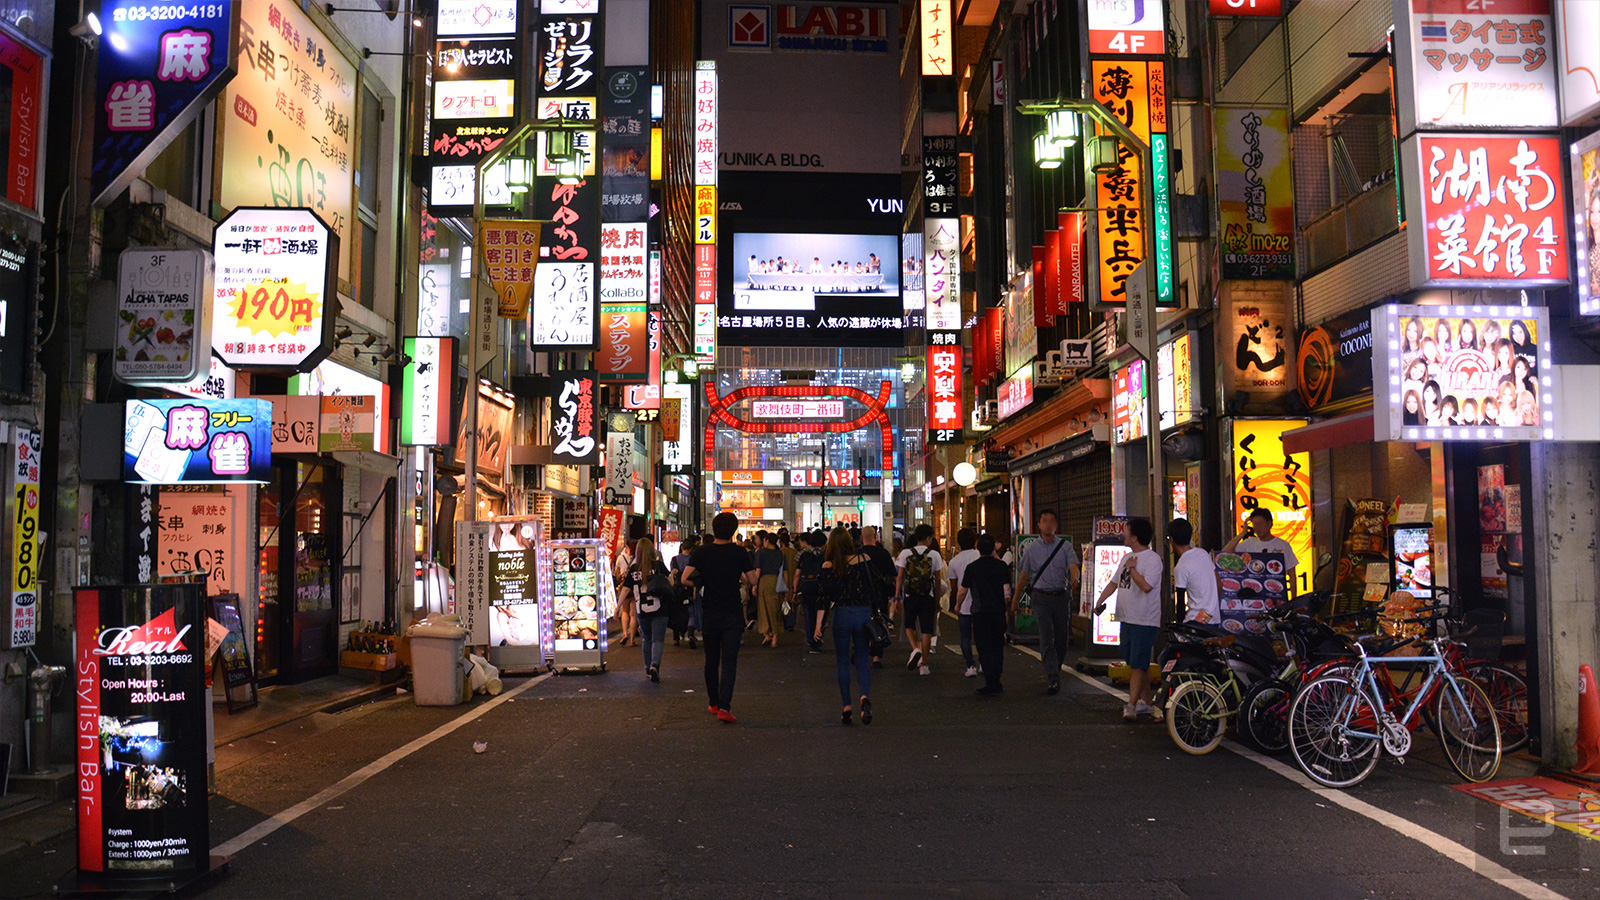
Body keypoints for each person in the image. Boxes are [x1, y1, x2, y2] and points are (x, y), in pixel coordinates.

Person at [681, 512, 760, 724]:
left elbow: (684, 578)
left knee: (711, 659)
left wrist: (702, 585)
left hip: (710, 612)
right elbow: (752, 579)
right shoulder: (739, 553)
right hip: (732, 613)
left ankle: (713, 703)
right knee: (729, 661)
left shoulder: (702, 551)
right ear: (733, 531)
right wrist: (743, 577)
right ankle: (725, 707)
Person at [1094, 518, 1164, 722]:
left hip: (1145, 619)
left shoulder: (1152, 560)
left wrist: (1133, 570)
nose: (1123, 535)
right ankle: (1146, 703)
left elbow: (1147, 587)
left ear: (1135, 537)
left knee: (1139, 665)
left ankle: (1131, 705)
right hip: (1126, 617)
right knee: (1135, 661)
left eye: (1126, 532)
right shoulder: (1127, 557)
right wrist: (1099, 601)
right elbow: (1114, 583)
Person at [1015, 509, 1081, 695]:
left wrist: (1075, 578)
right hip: (1040, 597)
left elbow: (1073, 567)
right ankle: (1052, 676)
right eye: (1045, 521)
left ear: (1056, 525)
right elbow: (1024, 576)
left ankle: (1055, 667)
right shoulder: (1031, 549)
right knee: (1046, 635)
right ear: (1039, 525)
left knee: (1061, 637)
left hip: (1061, 596)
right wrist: (1015, 601)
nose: (1048, 524)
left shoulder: (1065, 547)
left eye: (1052, 521)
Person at [816, 526, 877, 725]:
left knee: (842, 660)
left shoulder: (828, 566)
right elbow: (873, 587)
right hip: (862, 613)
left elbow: (823, 599)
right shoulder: (864, 560)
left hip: (841, 615)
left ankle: (847, 706)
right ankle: (865, 697)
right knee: (861, 659)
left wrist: (819, 626)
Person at [961, 534, 1012, 695]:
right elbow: (1006, 591)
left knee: (984, 646)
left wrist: (957, 605)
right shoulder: (1001, 566)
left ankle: (990, 680)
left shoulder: (972, 567)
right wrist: (1007, 608)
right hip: (998, 611)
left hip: (980, 612)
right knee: (997, 646)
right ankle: (996, 678)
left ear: (978, 548)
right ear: (993, 548)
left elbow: (963, 590)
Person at [895, 524, 944, 675]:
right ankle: (924, 664)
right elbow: (937, 579)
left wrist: (897, 597)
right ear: (929, 538)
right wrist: (937, 600)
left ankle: (915, 648)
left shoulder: (905, 553)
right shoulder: (934, 555)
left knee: (909, 625)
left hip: (910, 595)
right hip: (927, 596)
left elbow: (900, 577)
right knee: (927, 630)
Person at [621, 537, 672, 682]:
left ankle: (647, 667)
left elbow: (625, 590)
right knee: (658, 640)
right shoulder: (658, 566)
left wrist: (617, 607)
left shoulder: (633, 570)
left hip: (641, 611)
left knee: (647, 639)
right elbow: (670, 582)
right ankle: (655, 665)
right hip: (660, 609)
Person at [1222, 507, 1299, 597]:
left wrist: (1294, 599)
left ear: (1269, 524)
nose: (1257, 528)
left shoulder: (1283, 545)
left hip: (1276, 595)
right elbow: (1225, 552)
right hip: (1253, 595)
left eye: (1260, 524)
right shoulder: (1249, 543)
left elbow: (1292, 575)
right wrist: (1243, 533)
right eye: (1254, 525)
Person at [945, 528, 981, 678]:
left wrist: (956, 604)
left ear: (958, 543)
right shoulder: (980, 555)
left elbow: (954, 587)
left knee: (965, 637)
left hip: (964, 603)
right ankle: (983, 664)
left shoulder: (954, 561)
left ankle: (970, 665)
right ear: (975, 541)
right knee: (981, 636)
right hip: (981, 604)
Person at [1169, 518, 1219, 626]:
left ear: (1171, 540)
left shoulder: (1181, 567)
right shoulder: (1203, 554)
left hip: (1195, 621)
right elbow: (1219, 584)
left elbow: (1180, 604)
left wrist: (1180, 624)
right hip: (1214, 619)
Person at [859, 525, 897, 668]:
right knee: (879, 622)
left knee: (862, 623)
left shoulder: (858, 554)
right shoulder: (884, 554)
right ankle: (876, 656)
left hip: (861, 594)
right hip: (880, 593)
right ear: (876, 537)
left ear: (862, 538)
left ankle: (861, 651)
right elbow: (892, 574)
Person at [793, 530, 828, 653]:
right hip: (821, 588)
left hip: (806, 588)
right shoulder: (826, 556)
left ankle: (811, 641)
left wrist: (795, 591)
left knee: (809, 615)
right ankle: (818, 638)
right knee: (822, 614)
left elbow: (797, 574)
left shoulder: (804, 555)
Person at [752, 531, 786, 647]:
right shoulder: (780, 554)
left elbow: (758, 570)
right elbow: (784, 572)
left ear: (766, 541)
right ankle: (775, 636)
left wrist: (754, 585)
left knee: (763, 608)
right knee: (775, 609)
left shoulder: (761, 553)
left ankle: (766, 634)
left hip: (764, 582)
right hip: (777, 582)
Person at [670, 536, 699, 648]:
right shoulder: (693, 560)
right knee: (691, 613)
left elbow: (672, 572)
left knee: (676, 613)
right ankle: (691, 634)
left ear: (682, 547)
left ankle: (676, 638)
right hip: (689, 589)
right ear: (692, 548)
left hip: (677, 590)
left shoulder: (674, 560)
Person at [615, 538, 639, 647]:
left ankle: (624, 634)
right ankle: (632, 639)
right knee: (633, 614)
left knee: (625, 612)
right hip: (635, 588)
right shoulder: (637, 559)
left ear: (626, 546)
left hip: (625, 586)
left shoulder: (620, 558)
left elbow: (617, 574)